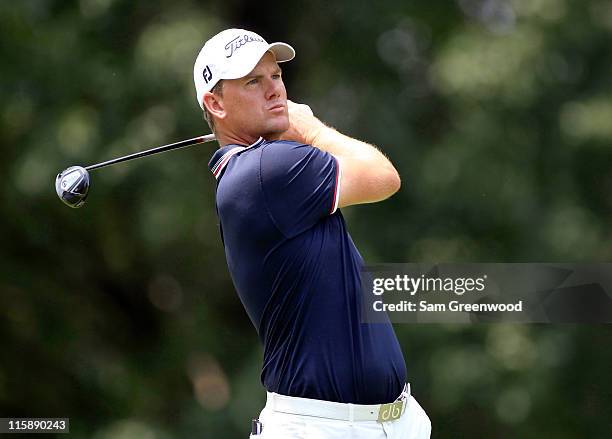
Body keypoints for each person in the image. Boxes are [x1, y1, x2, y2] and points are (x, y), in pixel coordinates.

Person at [193, 28, 432, 438]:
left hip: (391, 423)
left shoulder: (264, 167)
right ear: (215, 103)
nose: (274, 90)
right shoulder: (267, 170)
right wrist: (312, 129)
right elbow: (384, 177)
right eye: (253, 81)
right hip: (323, 428)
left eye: (275, 76)